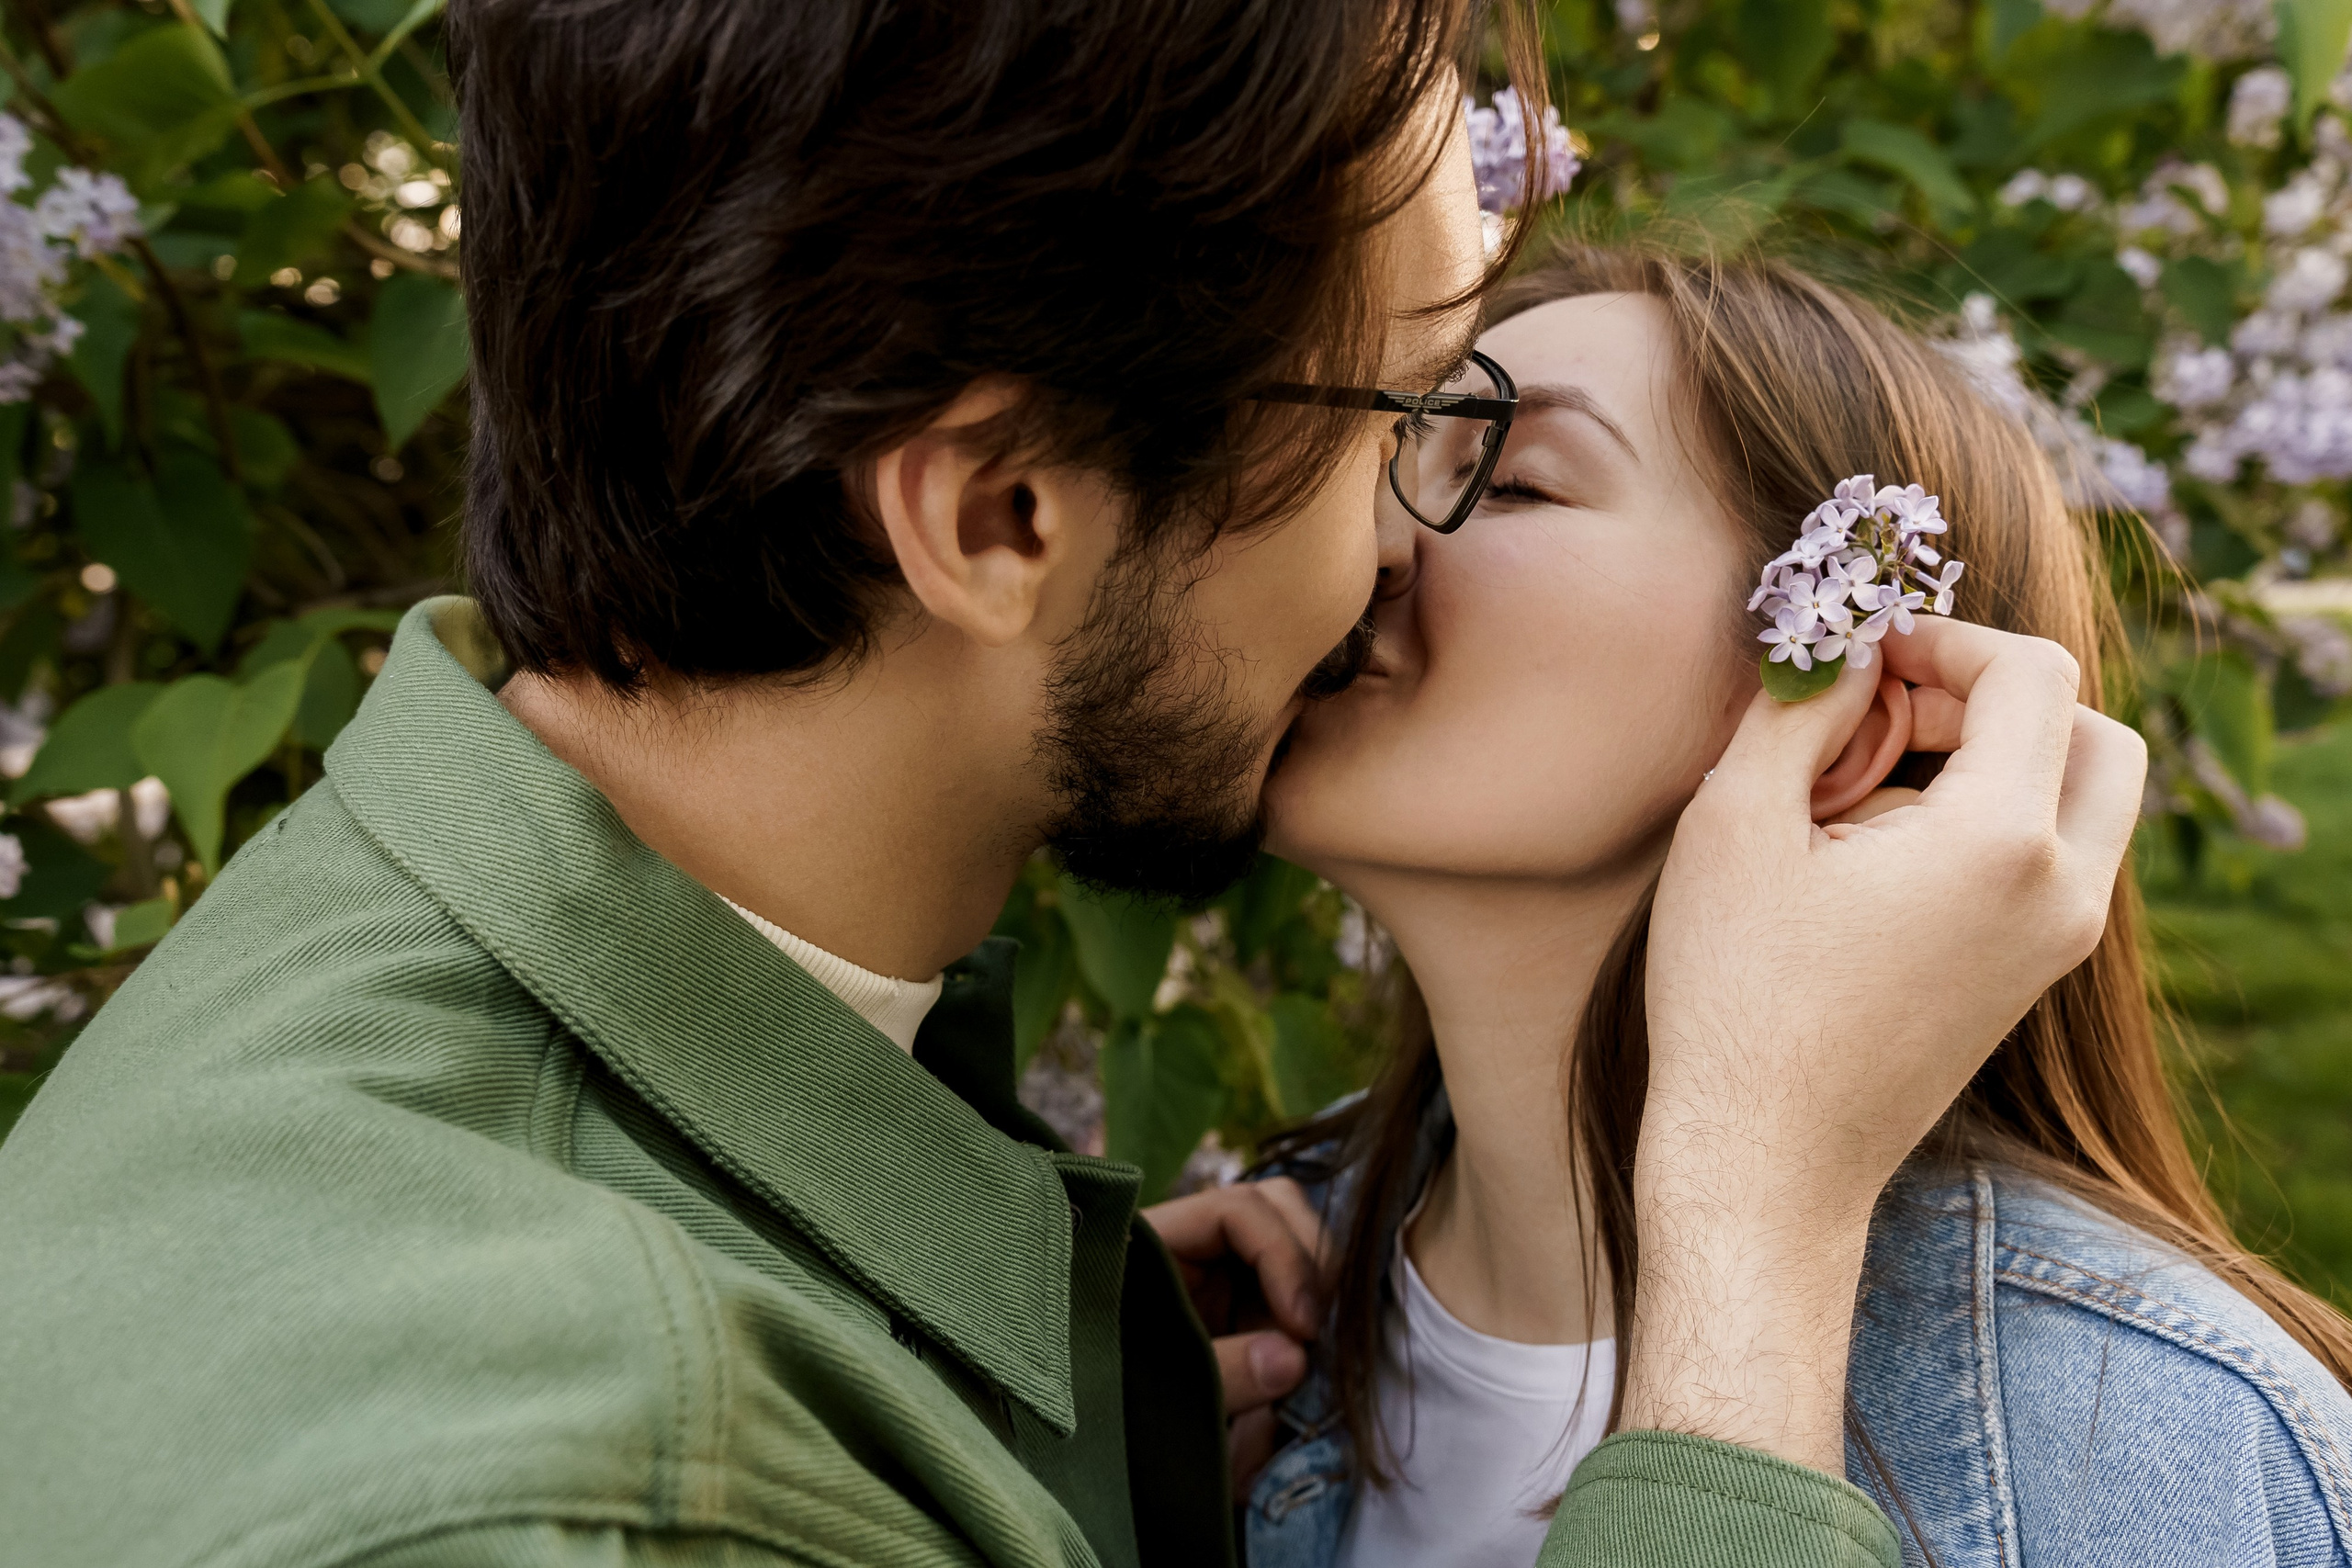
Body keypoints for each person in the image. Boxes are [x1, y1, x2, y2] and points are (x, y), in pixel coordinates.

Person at [0, 3, 2144, 1564]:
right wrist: (1750, 1245)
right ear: (1003, 516)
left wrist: (1027, 1413)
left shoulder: (397, 1023)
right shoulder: (586, 1493)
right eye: (1402, 399)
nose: (1412, 523)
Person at [1245, 244, 2352, 1568]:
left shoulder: (2144, 1451)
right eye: (1391, 462)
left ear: (1848, 708)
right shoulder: (1242, 1303)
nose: (1361, 547)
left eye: (1517, 480)